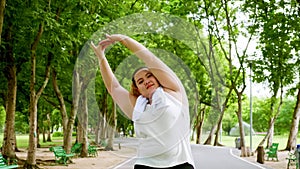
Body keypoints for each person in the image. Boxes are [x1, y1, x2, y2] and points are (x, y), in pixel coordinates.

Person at [91, 34, 195, 169]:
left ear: (158, 78)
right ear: (138, 89)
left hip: (180, 164)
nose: (146, 81)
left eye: (149, 76)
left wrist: (123, 39)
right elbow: (114, 88)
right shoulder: (138, 107)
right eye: (140, 81)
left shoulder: (175, 93)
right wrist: (101, 57)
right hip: (146, 165)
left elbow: (149, 57)